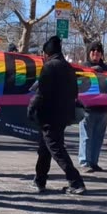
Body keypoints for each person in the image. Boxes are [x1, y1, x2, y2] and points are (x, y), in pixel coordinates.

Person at [28, 36, 86, 195]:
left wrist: (31, 108)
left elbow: (42, 92)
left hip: (48, 115)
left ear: (46, 53)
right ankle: (40, 180)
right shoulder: (68, 67)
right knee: (45, 147)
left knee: (56, 148)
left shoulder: (49, 67)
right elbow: (75, 91)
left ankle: (76, 181)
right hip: (63, 114)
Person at [78, 41, 107, 172]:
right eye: (93, 51)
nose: (95, 53)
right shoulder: (83, 67)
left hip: (103, 108)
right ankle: (84, 162)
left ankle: (94, 161)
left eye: (98, 51)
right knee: (86, 136)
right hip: (87, 108)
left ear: (101, 54)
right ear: (89, 53)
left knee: (98, 137)